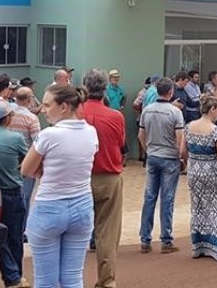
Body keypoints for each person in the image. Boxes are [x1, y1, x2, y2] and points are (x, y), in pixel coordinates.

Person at [21, 84, 97, 288]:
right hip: (82, 206)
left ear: (63, 106)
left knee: (46, 281)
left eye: (47, 105)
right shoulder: (91, 132)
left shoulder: (49, 135)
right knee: (73, 278)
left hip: (49, 207)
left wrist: (42, 169)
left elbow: (26, 170)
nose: (43, 109)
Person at [82, 69, 126, 288]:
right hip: (108, 176)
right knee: (107, 233)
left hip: (79, 178)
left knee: (73, 232)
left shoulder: (75, 113)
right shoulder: (115, 116)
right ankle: (107, 281)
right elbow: (119, 143)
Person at [0, 100, 29, 288]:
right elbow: (28, 159)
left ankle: (12, 277)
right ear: (7, 119)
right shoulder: (15, 138)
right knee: (15, 236)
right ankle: (15, 276)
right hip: (12, 191)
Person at [182, 95, 217, 262]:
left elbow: (182, 151)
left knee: (198, 208)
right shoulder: (216, 131)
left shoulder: (188, 127)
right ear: (211, 109)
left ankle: (199, 246)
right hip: (211, 172)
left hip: (194, 171)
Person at [138, 77, 185, 253]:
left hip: (153, 156)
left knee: (149, 197)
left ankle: (145, 239)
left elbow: (141, 135)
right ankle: (166, 240)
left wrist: (148, 151)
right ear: (171, 92)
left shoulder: (147, 111)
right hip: (170, 157)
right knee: (167, 198)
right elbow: (180, 138)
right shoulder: (175, 112)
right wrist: (181, 157)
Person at [11, 87, 42, 213]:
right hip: (26, 160)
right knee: (25, 196)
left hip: (9, 159)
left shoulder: (8, 115)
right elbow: (38, 142)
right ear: (29, 99)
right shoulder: (31, 118)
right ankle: (22, 228)